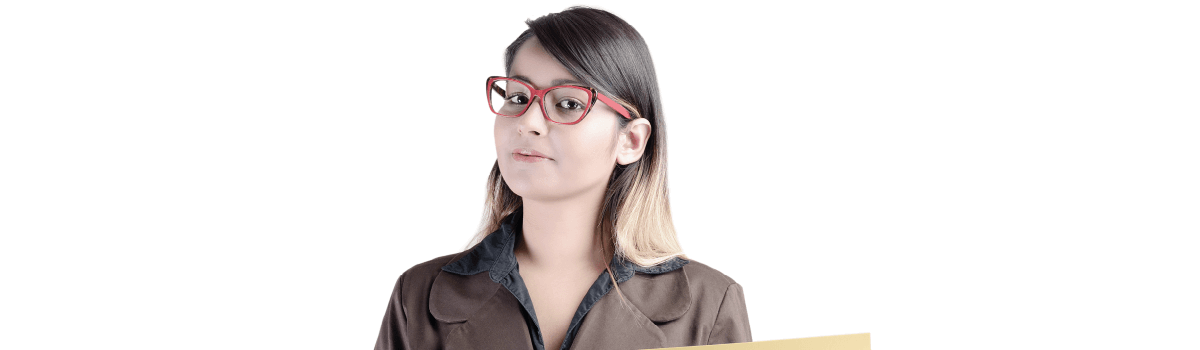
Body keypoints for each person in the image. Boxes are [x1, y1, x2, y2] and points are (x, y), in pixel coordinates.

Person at [374, 7, 751, 350]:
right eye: (518, 97)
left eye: (568, 103)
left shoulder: (709, 306)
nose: (528, 123)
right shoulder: (418, 297)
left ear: (631, 140)